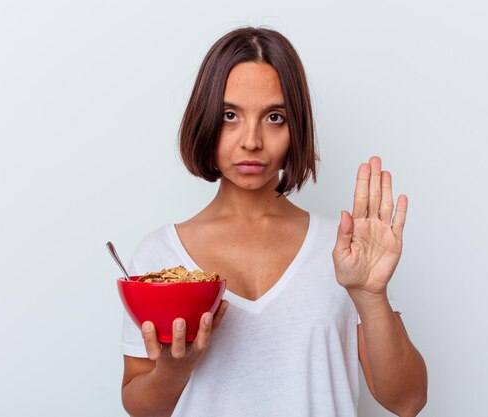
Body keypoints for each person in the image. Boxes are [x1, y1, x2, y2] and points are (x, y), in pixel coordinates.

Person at [120, 26, 427, 417]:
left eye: (275, 117)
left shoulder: (344, 249)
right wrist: (173, 371)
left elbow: (407, 401)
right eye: (230, 115)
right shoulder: (159, 257)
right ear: (205, 120)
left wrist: (370, 297)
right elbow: (140, 407)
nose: (252, 140)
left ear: (296, 127)